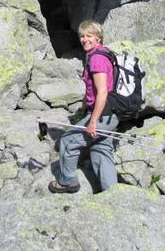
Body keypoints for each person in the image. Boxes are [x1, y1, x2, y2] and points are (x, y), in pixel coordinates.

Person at [49, 20, 119, 193]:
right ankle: (113, 194)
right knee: (101, 150)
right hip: (111, 114)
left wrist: (93, 121)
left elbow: (102, 92)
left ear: (98, 38)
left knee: (68, 141)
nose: (84, 39)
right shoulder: (105, 53)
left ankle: (68, 182)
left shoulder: (97, 59)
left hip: (102, 115)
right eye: (82, 36)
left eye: (89, 36)